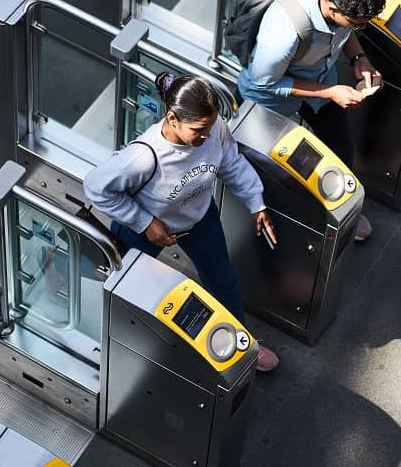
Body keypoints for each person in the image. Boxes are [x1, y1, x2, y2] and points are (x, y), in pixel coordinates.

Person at [83, 72, 281, 372]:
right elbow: (96, 187)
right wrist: (146, 222)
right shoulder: (143, 156)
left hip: (199, 219)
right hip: (143, 233)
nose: (206, 137)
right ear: (172, 119)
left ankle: (241, 341)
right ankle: (111, 349)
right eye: (198, 130)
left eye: (210, 127)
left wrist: (256, 202)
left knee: (224, 281)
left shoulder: (214, 129)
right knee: (128, 293)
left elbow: (231, 162)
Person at [235, 0, 386, 240]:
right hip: (269, 99)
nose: (361, 28)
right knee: (278, 175)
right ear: (332, 8)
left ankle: (341, 213)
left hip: (319, 76)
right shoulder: (283, 31)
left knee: (342, 150)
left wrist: (358, 57)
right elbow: (262, 83)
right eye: (357, 22)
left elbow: (345, 33)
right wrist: (329, 92)